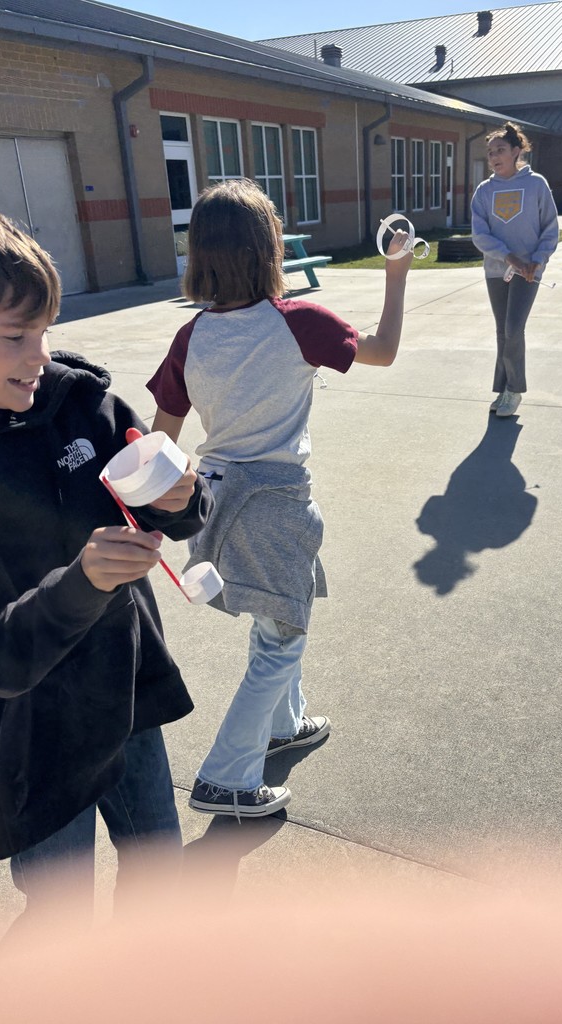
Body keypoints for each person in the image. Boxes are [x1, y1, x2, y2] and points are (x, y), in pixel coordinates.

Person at [0, 202, 212, 921]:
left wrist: (178, 497)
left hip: (128, 691)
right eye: (15, 337)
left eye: (46, 331)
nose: (40, 356)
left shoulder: (82, 405)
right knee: (60, 913)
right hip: (32, 738)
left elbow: (173, 512)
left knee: (157, 872)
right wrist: (82, 584)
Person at [147, 179, 412, 819]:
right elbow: (383, 351)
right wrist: (396, 271)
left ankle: (282, 725)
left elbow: (162, 441)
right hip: (276, 506)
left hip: (216, 502)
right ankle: (226, 776)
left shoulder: (193, 337)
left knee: (277, 617)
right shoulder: (299, 323)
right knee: (282, 638)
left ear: (200, 255)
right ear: (268, 247)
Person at [471, 121, 559, 418]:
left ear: (516, 152)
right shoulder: (484, 191)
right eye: (491, 152)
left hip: (529, 270)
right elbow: (480, 234)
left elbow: (550, 227)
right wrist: (509, 257)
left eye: (501, 150)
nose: (494, 157)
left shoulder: (536, 184)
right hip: (498, 269)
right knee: (502, 331)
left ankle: (515, 389)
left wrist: (537, 260)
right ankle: (503, 387)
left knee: (513, 328)